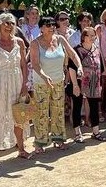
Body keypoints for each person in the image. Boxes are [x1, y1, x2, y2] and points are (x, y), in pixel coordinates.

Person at [30, 16, 83, 152]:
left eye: (53, 24)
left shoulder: (60, 39)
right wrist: (44, 76)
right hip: (41, 82)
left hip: (58, 81)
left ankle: (58, 139)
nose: (52, 27)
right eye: (48, 25)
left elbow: (73, 54)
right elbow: (35, 64)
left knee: (58, 111)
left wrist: (79, 66)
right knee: (41, 113)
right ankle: (40, 143)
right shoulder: (35, 43)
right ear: (41, 28)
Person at [0, 13, 31, 167]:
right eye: (6, 23)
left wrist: (25, 84)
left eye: (12, 23)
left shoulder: (19, 42)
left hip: (17, 81)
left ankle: (22, 149)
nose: (9, 26)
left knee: (19, 115)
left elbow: (24, 65)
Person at [69, 27, 105, 142]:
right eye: (89, 35)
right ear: (83, 37)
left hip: (94, 83)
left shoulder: (96, 49)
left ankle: (96, 131)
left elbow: (100, 66)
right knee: (77, 106)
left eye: (93, 35)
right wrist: (75, 85)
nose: (92, 37)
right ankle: (77, 133)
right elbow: (72, 68)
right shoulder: (77, 50)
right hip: (80, 83)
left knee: (94, 107)